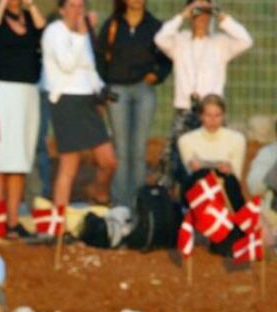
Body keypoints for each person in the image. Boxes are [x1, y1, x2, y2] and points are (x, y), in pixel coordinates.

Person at [154, 0, 252, 189]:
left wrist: (220, 15)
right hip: (184, 110)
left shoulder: (221, 43)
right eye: (197, 12)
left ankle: (218, 201)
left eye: (206, 12)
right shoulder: (179, 41)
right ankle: (176, 206)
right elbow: (160, 38)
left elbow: (246, 40)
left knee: (217, 158)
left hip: (212, 114)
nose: (202, 17)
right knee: (174, 161)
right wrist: (182, 15)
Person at [42, 0, 117, 210]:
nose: (77, 11)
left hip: (87, 101)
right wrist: (80, 35)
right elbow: (67, 64)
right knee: (69, 165)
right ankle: (59, 225)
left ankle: (98, 194)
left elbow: (89, 67)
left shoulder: (82, 34)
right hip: (66, 100)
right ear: (61, 9)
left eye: (80, 6)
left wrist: (102, 89)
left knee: (109, 161)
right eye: (72, 6)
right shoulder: (54, 32)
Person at [95, 0, 170, 209]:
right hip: (117, 92)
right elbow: (100, 57)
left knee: (138, 149)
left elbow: (166, 58)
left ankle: (137, 202)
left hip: (144, 91)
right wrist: (104, 88)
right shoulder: (112, 25)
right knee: (121, 149)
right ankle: (120, 203)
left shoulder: (155, 26)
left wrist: (155, 76)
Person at [0, 0, 46, 239]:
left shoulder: (30, 19)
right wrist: (0, 6)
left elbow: (44, 34)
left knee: (20, 159)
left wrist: (31, 7)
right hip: (2, 92)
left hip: (27, 93)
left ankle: (12, 221)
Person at [177, 94, 245, 196]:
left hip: (226, 192)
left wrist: (230, 170)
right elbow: (190, 175)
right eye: (208, 115)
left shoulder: (237, 139)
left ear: (223, 115)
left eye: (217, 115)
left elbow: (236, 177)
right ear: (201, 116)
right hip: (198, 193)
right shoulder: (186, 140)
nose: (213, 120)